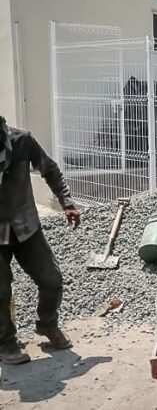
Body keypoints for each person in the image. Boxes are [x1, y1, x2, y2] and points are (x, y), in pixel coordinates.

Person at [0, 116, 80, 365]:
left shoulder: (22, 141)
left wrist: (66, 201)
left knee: (52, 280)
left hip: (26, 225)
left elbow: (50, 169)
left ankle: (47, 324)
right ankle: (6, 344)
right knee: (1, 292)